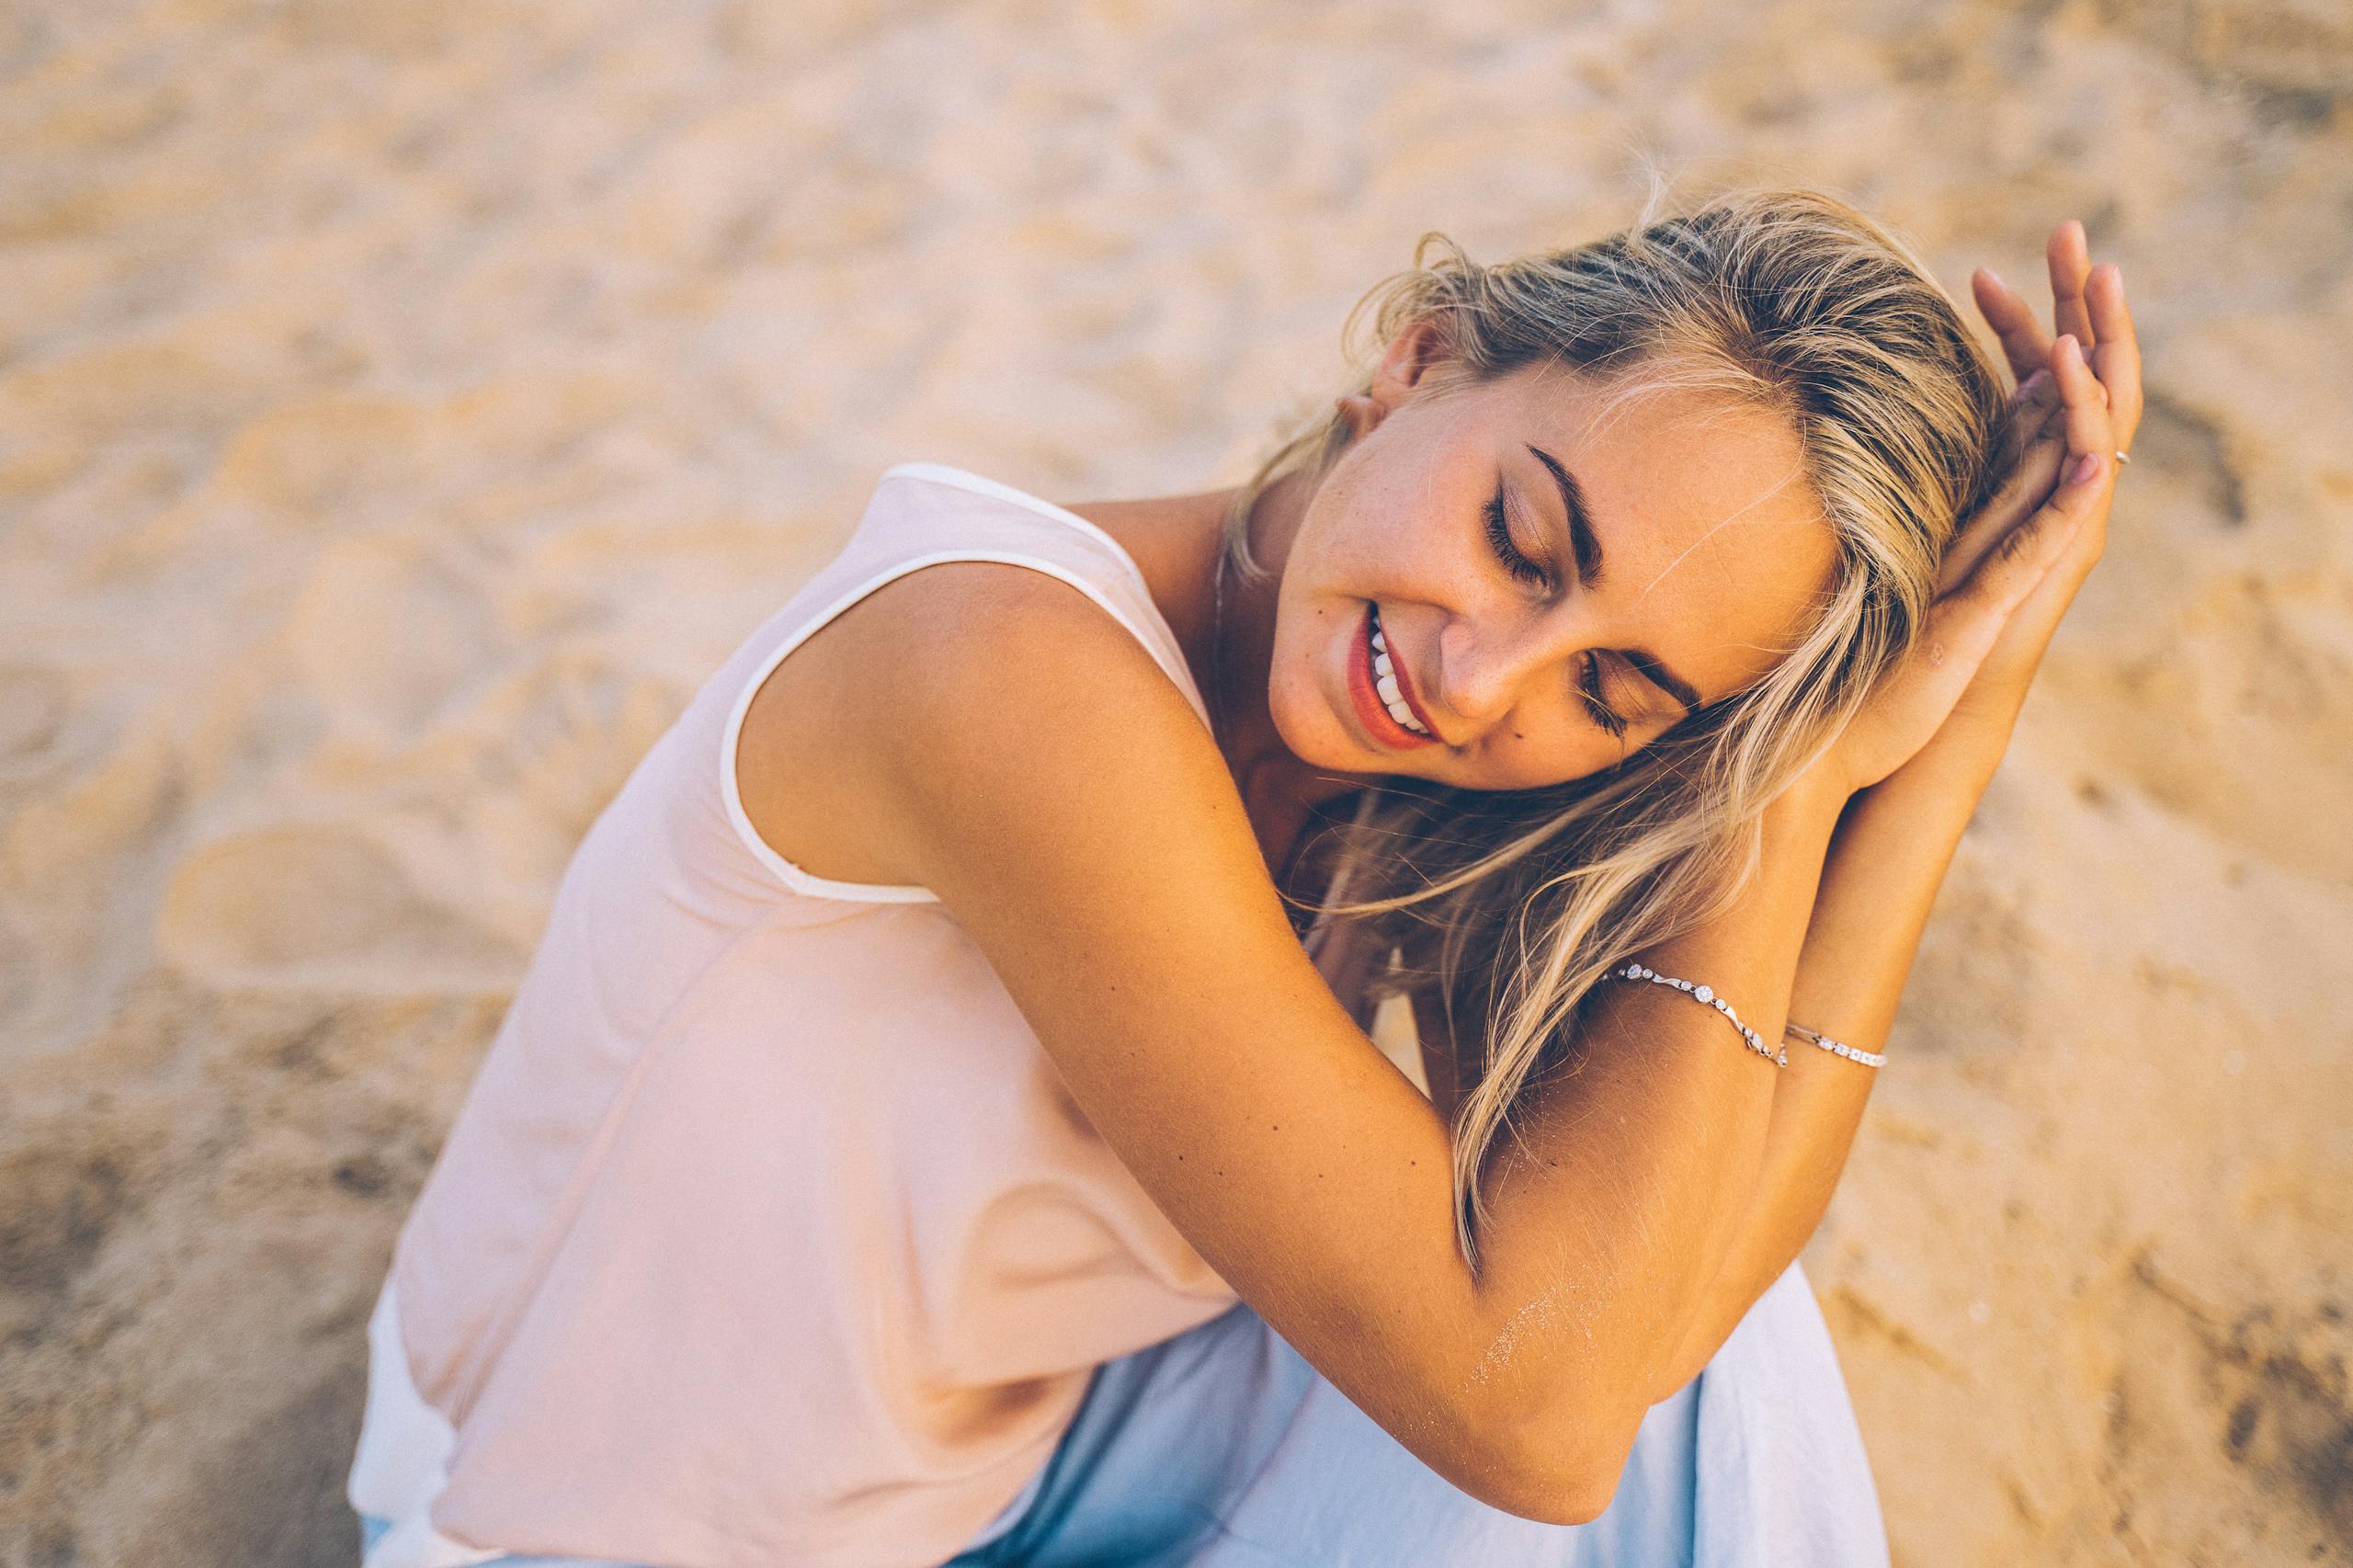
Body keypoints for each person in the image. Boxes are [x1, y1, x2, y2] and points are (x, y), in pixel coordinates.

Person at [347, 187, 2141, 1567]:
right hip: (599, 1508)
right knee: (1567, 1370)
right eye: (1523, 539)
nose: (1478, 679)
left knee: (1704, 1354)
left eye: (1614, 684)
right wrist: (1787, 769)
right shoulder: (996, 666)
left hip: (1025, 1460)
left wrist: (1910, 754)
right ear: (1419, 359)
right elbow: (1536, 1417)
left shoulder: (1415, 769)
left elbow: (1647, 1325)